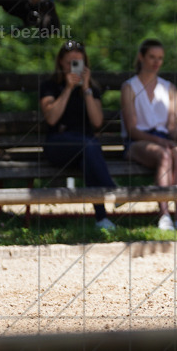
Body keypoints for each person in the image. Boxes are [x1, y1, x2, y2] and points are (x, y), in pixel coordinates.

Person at [39, 40, 118, 232]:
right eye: (70, 63)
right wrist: (67, 89)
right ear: (60, 63)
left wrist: (86, 90)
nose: (74, 67)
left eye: (79, 63)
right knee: (89, 145)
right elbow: (51, 119)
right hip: (58, 145)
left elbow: (97, 121)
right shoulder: (50, 86)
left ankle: (101, 219)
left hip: (86, 148)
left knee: (87, 155)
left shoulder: (92, 88)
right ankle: (113, 190)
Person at [121, 39, 177, 232]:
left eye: (160, 58)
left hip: (163, 139)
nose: (156, 62)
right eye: (152, 57)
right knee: (165, 154)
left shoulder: (169, 88)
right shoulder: (129, 87)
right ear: (141, 57)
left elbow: (171, 125)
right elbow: (132, 129)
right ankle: (164, 215)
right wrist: (162, 142)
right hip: (137, 142)